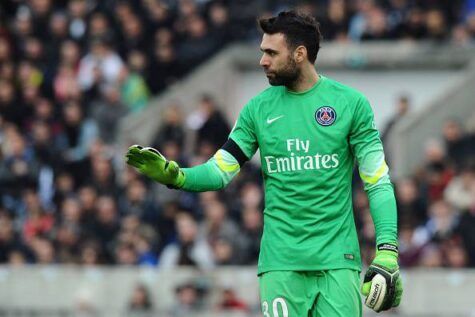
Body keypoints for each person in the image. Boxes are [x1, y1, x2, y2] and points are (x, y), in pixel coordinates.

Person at [126, 10, 402, 316]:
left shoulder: (351, 105)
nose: (263, 61)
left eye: (271, 52)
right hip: (280, 264)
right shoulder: (257, 111)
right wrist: (176, 176)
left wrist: (387, 250)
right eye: (262, 52)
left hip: (338, 261)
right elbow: (219, 172)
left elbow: (377, 181)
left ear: (300, 54)